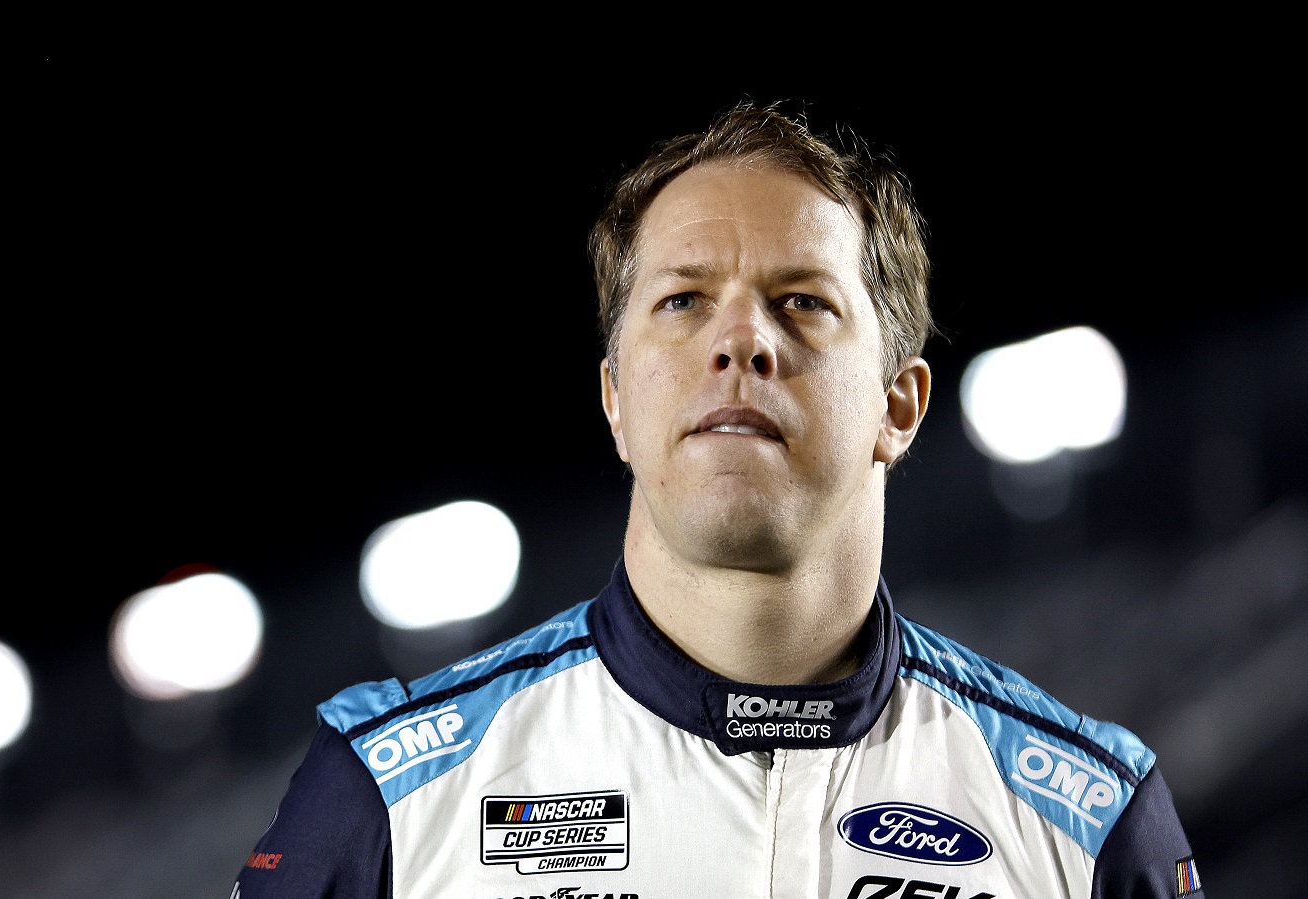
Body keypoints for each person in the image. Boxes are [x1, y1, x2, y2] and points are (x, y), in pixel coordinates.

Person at [231, 100, 1199, 898]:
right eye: (683, 299)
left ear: (897, 404)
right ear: (615, 398)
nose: (741, 342)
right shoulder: (387, 793)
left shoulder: (1092, 820)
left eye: (802, 301)